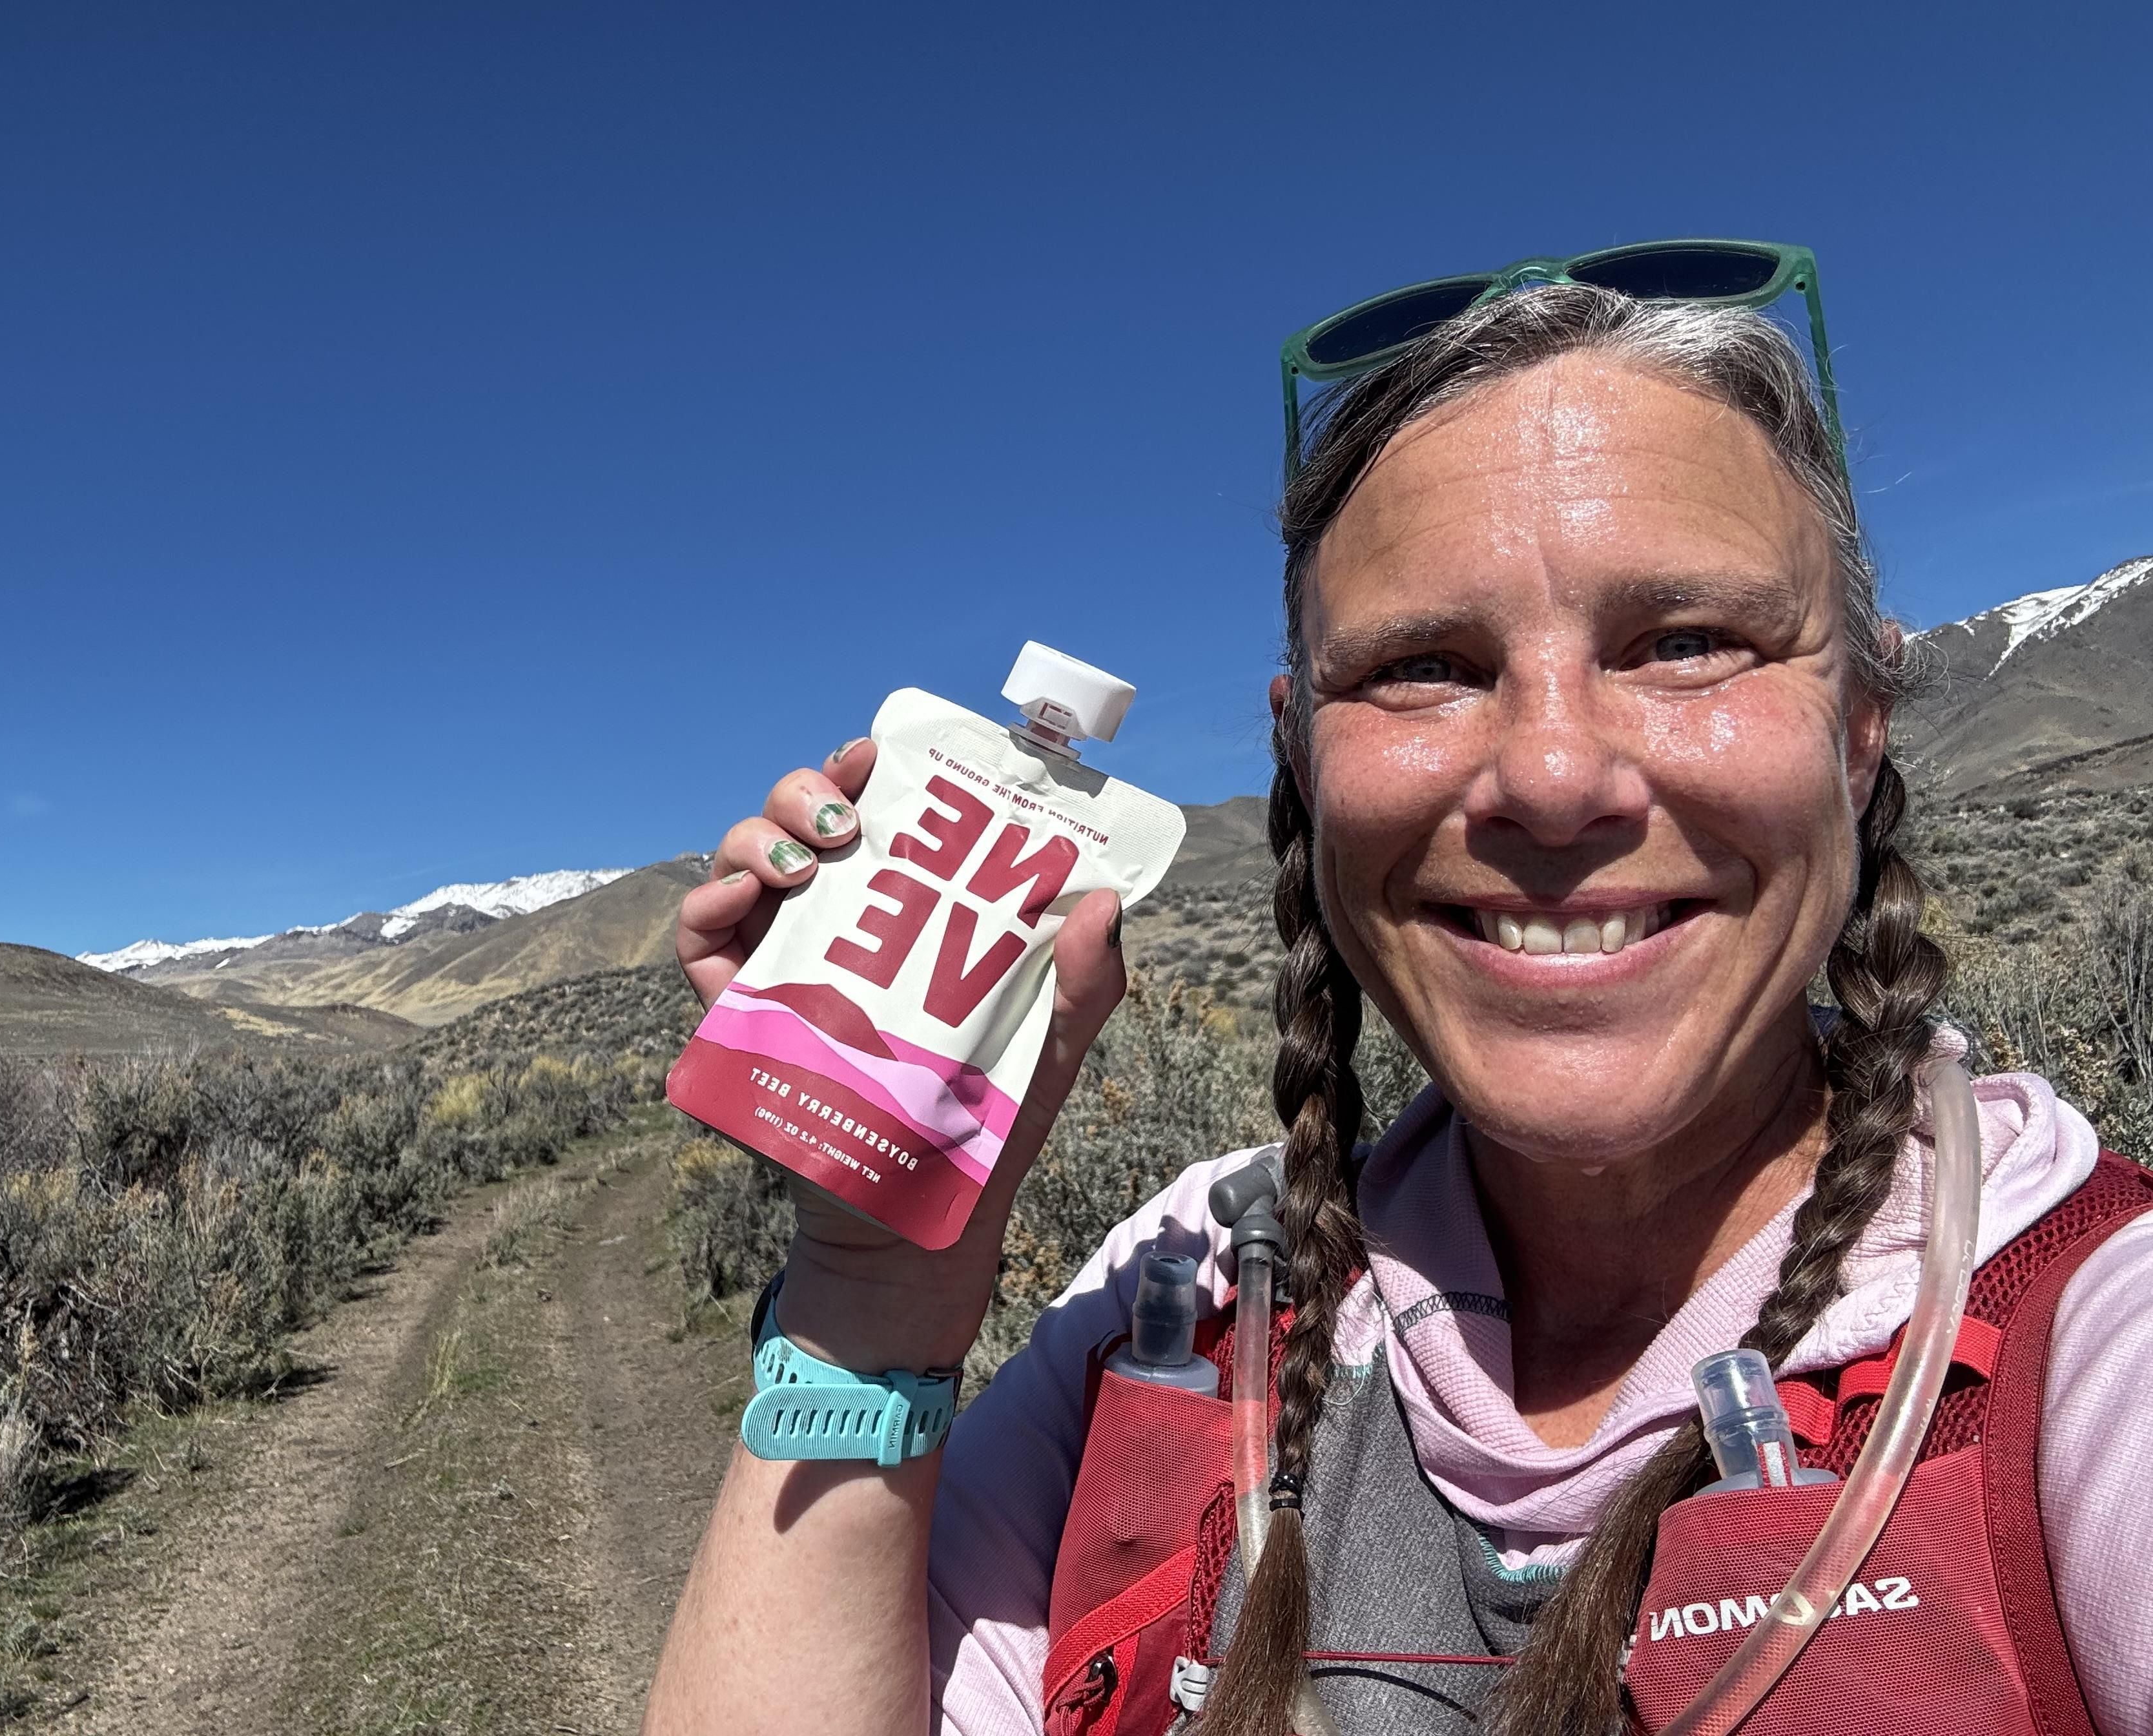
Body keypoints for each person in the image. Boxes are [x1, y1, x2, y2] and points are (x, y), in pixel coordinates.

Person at [644, 274, 2153, 1736]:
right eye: (1424, 667)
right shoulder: (1184, 1294)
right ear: (1303, 758)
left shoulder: (2091, 1344)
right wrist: (877, 1279)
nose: (1554, 779)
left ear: (1861, 723)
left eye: (1689, 641)